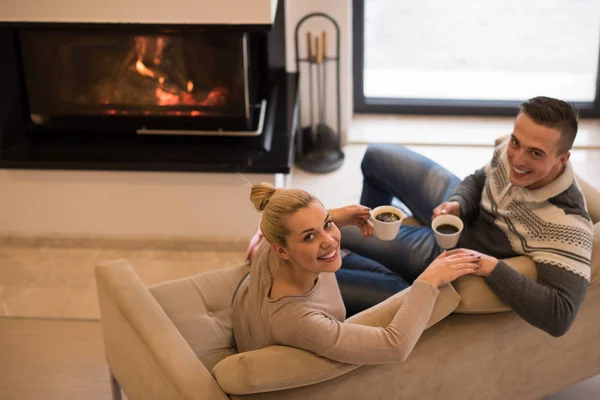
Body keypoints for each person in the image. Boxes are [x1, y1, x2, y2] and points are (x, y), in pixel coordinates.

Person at [341, 96, 594, 337]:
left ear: (563, 159)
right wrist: (458, 202)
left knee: (340, 228)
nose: (517, 159)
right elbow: (478, 179)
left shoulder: (567, 225)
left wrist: (493, 268)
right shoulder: (513, 149)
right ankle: (373, 254)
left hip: (460, 249)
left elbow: (561, 316)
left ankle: (378, 268)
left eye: (535, 153)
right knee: (376, 156)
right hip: (462, 214)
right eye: (516, 142)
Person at [231, 183, 481, 364]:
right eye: (309, 237)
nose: (329, 241)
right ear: (281, 250)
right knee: (398, 288)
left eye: (327, 224)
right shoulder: (298, 321)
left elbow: (294, 226)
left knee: (391, 282)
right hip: (262, 324)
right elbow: (395, 347)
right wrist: (428, 279)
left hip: (248, 298)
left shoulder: (273, 244)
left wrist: (336, 215)